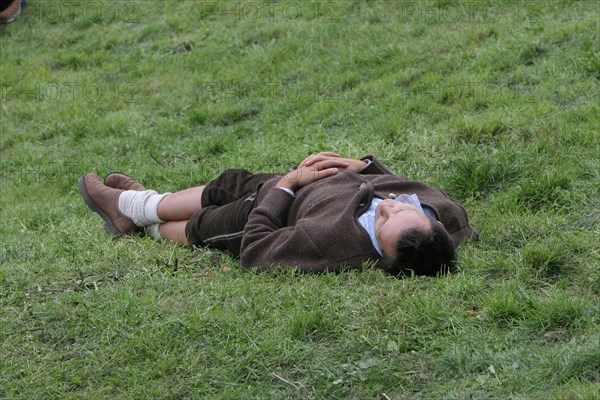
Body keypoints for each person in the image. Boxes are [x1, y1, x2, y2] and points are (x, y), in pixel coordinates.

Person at [78, 152, 479, 276]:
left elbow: (257, 251)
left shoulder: (331, 246)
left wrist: (287, 187)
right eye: (402, 210)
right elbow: (396, 185)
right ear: (436, 224)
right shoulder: (448, 217)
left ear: (381, 256)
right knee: (229, 181)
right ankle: (138, 205)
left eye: (382, 223)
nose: (388, 206)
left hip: (275, 211)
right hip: (307, 182)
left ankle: (132, 213)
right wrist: (362, 166)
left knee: (208, 224)